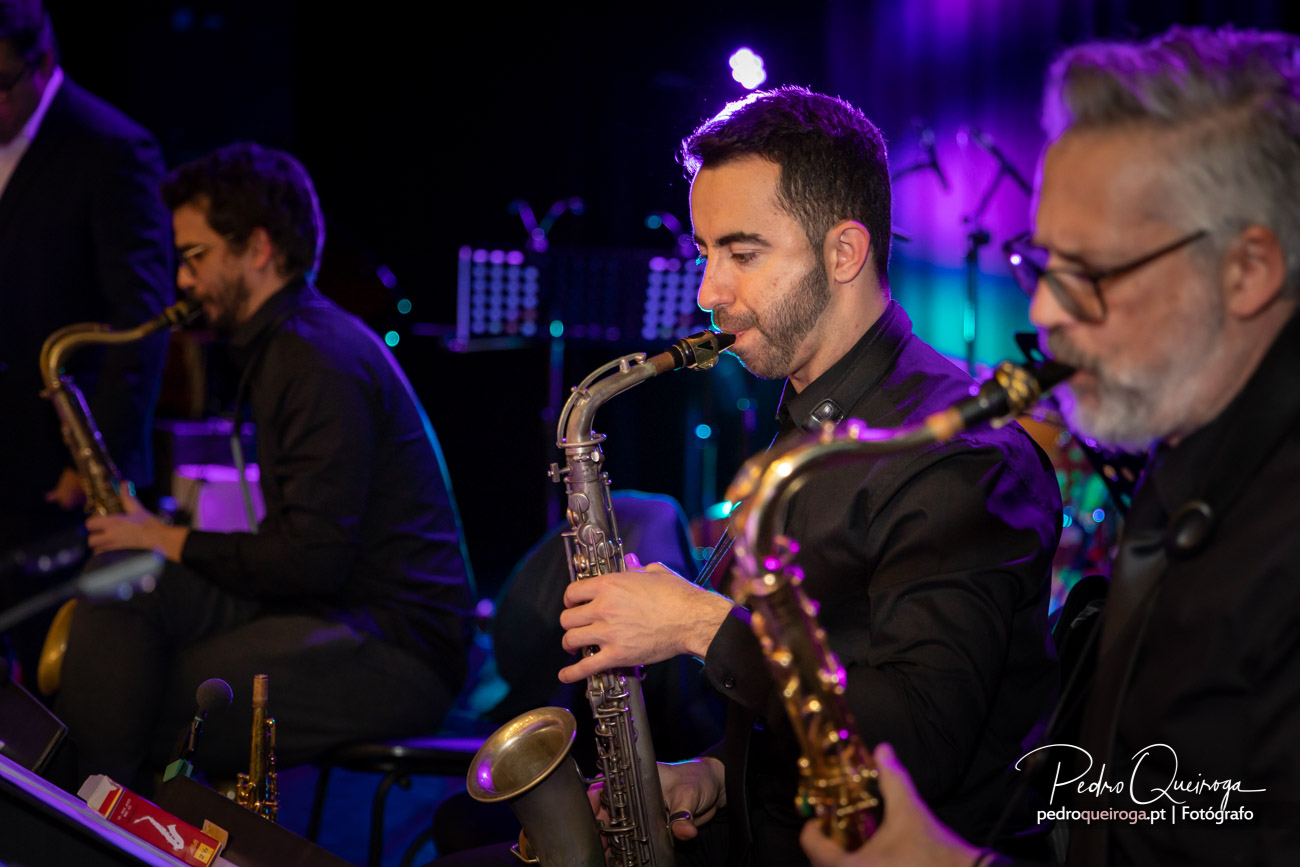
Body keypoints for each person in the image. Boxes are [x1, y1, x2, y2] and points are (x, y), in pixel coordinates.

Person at [799, 25, 1300, 867]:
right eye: (1042, 263)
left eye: (1091, 273)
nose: (1042, 316)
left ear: (1248, 270)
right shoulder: (1190, 457)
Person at [551, 87, 1064, 866]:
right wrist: (716, 777)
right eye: (705, 253)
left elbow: (919, 743)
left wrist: (697, 624)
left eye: (743, 253)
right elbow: (813, 702)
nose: (707, 292)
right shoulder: (809, 417)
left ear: (844, 252)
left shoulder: (963, 455)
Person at [53, 142, 476, 793]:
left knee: (162, 699)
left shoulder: (316, 358)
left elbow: (312, 560)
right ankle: (93, 806)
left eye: (195, 258)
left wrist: (164, 537)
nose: (183, 282)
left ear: (256, 248)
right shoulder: (289, 345)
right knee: (123, 583)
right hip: (328, 606)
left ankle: (99, 823)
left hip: (397, 644)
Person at [0, 0, 172, 648]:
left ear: (42, 65)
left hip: (55, 462)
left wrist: (99, 457)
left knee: (60, 665)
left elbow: (142, 319)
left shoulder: (112, 149)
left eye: (0, 86)